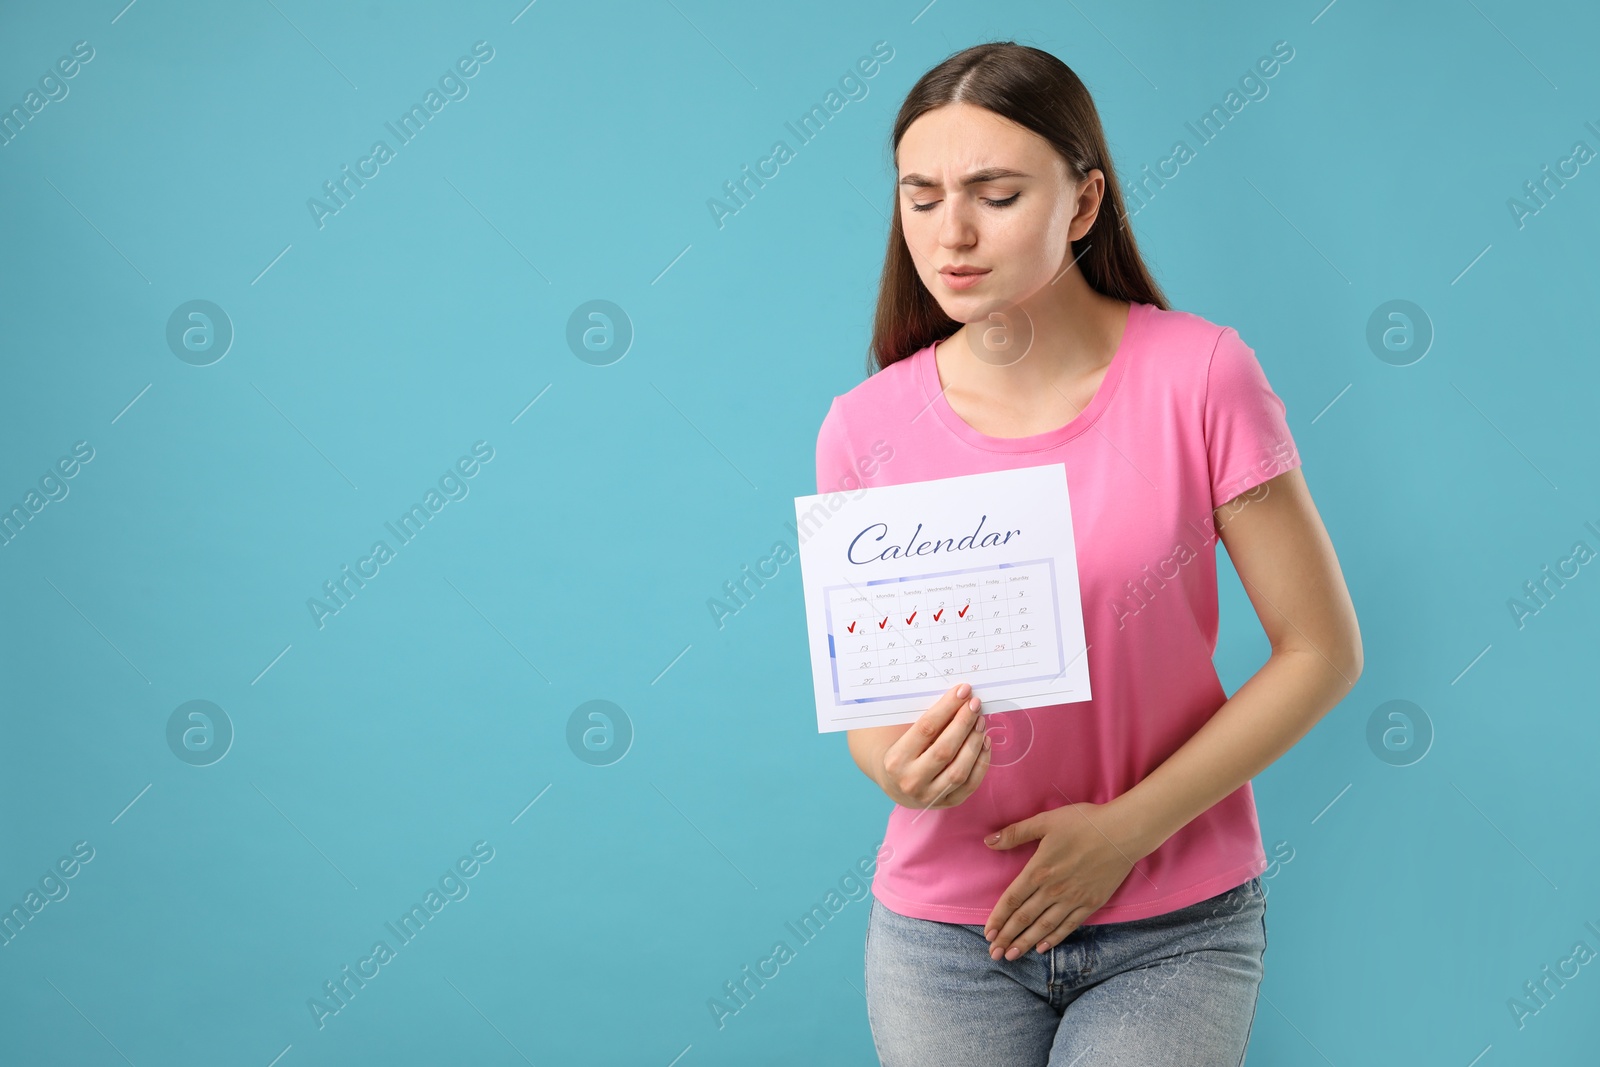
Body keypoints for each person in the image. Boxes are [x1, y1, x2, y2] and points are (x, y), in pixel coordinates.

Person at [812, 42, 1362, 1065]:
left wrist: (1123, 831)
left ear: (1082, 201)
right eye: (920, 197)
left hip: (1175, 921)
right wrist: (903, 766)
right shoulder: (862, 427)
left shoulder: (1200, 375)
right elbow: (871, 708)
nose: (952, 233)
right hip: (945, 933)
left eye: (995, 193)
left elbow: (1319, 650)